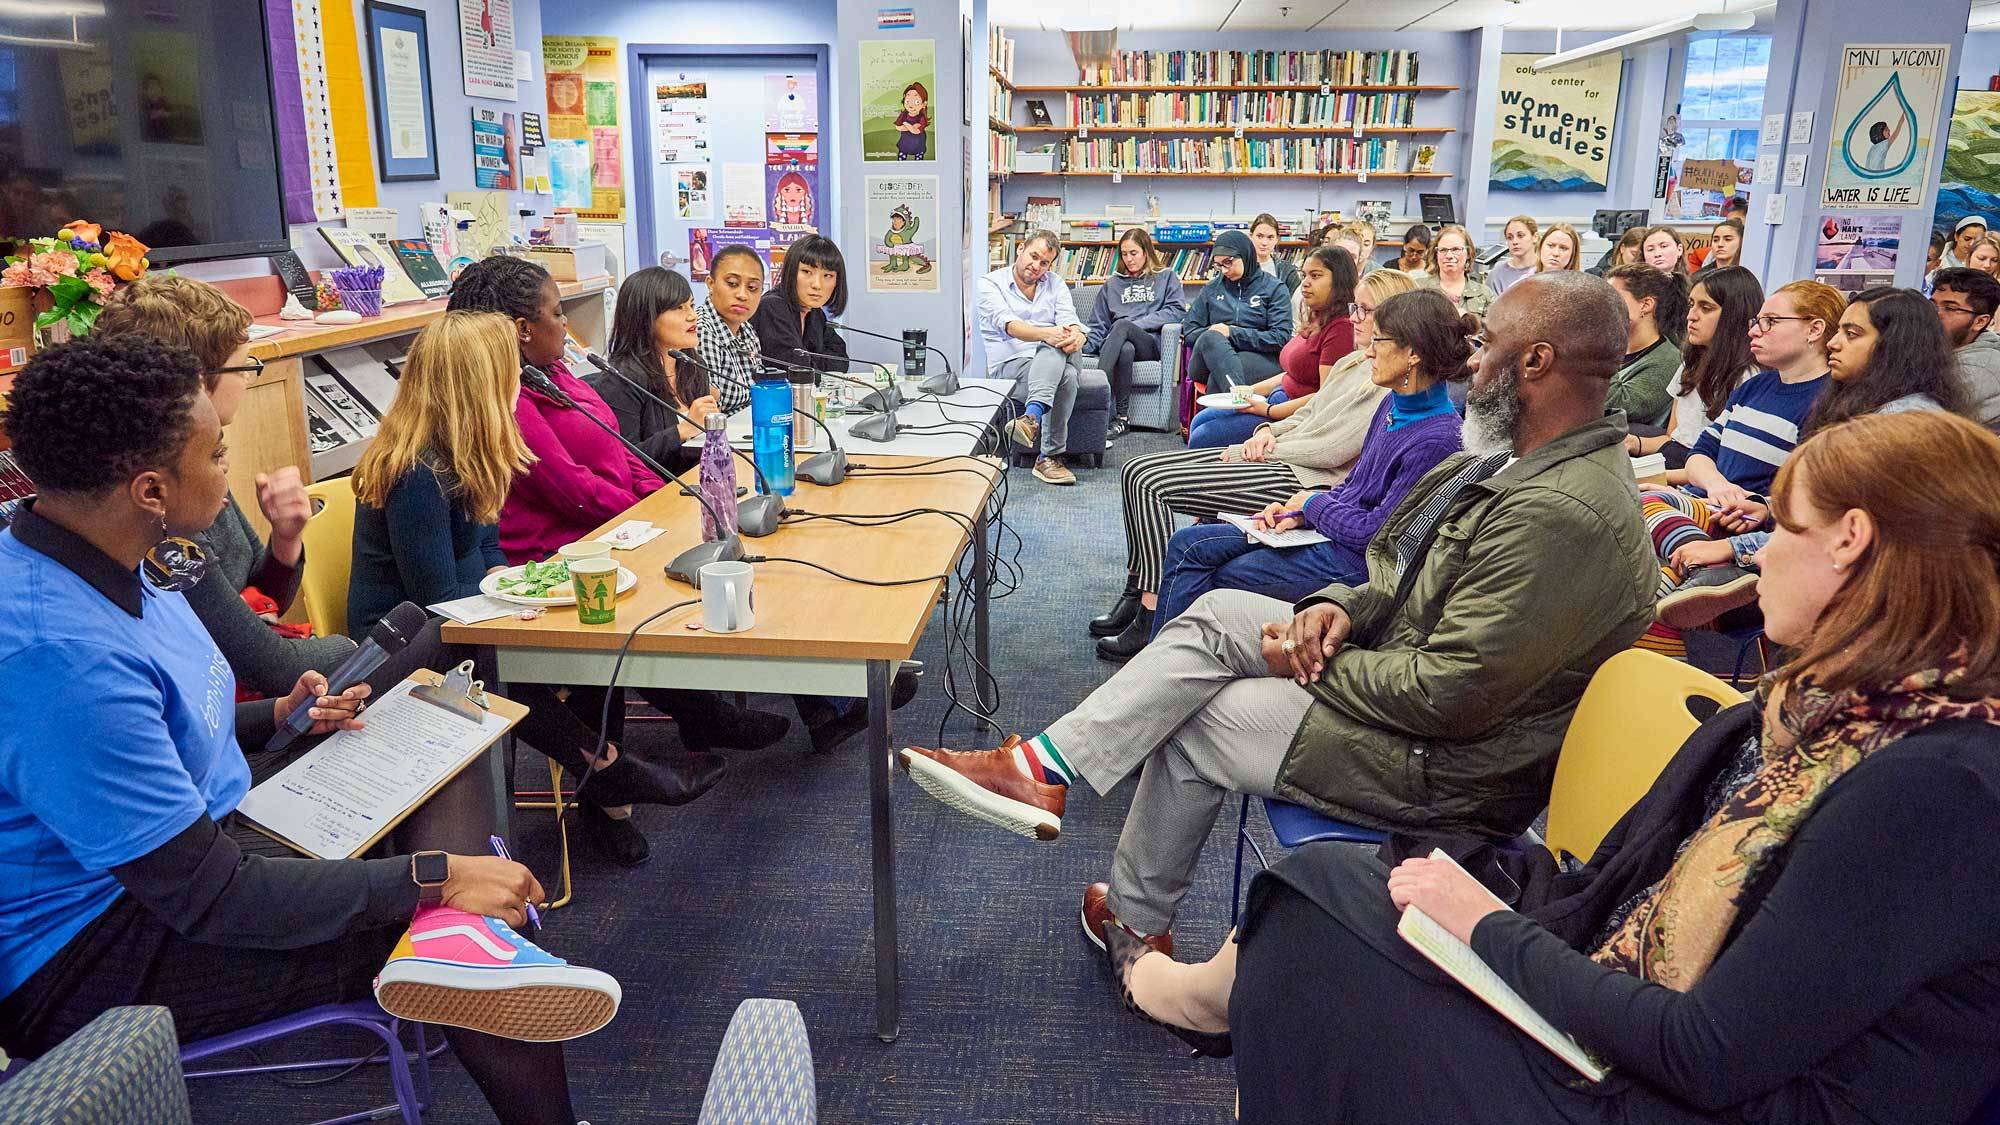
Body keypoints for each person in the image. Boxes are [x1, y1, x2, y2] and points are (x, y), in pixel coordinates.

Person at [1134, 412, 2000, 1125]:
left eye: (1787, 530)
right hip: (1654, 1009)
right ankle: (1222, 1001)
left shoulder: (1935, 787)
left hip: (1678, 1095)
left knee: (1324, 917)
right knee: (1346, 883)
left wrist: (1485, 928)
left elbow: (1707, 1053)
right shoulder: (1839, 713)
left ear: (1851, 542)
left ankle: (1218, 1002)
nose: (1761, 551)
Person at [899, 272, 1657, 958]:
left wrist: (1310, 654)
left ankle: (1128, 906)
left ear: (1537, 362)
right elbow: (1400, 570)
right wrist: (1333, 606)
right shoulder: (1518, 461)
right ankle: (1044, 771)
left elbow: (1445, 694)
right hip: (1401, 685)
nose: (1474, 361)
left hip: (1446, 768)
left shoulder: (1560, 510)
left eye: (1490, 345)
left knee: (1192, 714)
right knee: (1222, 611)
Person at [0, 336, 619, 1125]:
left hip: (202, 846)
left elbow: (166, 727)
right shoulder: (59, 654)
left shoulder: (122, 553)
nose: (229, 473)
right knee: (463, 928)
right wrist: (434, 878)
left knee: (447, 727)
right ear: (151, 488)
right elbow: (211, 897)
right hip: (97, 953)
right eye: (217, 454)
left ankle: (479, 928)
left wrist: (279, 714)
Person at [445, 255, 791, 862]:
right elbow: (569, 484)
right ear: (522, 329)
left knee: (694, 575)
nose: (569, 329)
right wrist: (641, 513)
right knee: (615, 632)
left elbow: (615, 448)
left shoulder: (560, 375)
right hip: (557, 549)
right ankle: (609, 799)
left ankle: (696, 716)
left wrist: (660, 496)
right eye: (558, 314)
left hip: (611, 530)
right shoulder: (510, 399)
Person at [349, 311, 729, 851]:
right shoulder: (417, 471)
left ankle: (606, 777)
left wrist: (506, 581)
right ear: (477, 387)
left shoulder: (467, 453)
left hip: (454, 620)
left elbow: (484, 551)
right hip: (397, 644)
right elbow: (433, 597)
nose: (518, 386)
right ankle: (606, 768)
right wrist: (502, 596)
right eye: (509, 375)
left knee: (592, 634)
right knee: (493, 658)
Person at [1088, 269, 1421, 660]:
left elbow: (1329, 449)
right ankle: (1139, 590)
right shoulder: (1354, 364)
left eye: (1366, 311)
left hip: (1300, 475)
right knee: (1136, 470)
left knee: (1148, 480)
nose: (1355, 319)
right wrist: (1266, 430)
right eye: (1355, 309)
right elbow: (1310, 415)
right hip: (1285, 458)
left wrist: (1269, 446)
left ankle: (1149, 608)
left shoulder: (1380, 382)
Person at [92, 275, 357, 696]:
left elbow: (260, 596)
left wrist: (286, 539)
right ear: (195, 380)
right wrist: (353, 650)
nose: (251, 378)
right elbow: (265, 666)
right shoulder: (164, 505)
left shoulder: (197, 458)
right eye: (244, 366)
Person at [1152, 289, 1468, 629]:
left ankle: (1178, 662)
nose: (1369, 352)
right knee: (1188, 544)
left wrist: (1312, 504)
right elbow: (1353, 486)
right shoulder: (1392, 405)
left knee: (1222, 574)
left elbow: (1374, 536)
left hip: (1355, 562)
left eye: (1379, 341)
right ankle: (1162, 663)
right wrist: (1298, 512)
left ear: (1414, 354)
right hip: (1329, 534)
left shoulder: (1438, 439)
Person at [1654, 286, 1962, 631]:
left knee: (1657, 592)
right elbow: (1830, 505)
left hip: (1872, 602)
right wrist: (1766, 507)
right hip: (1776, 539)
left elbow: (1848, 530)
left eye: (1852, 333)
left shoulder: (1903, 425)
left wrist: (1734, 547)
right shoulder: (1863, 409)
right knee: (1657, 573)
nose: (1834, 342)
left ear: (1897, 345)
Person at [1632, 280, 1842, 658]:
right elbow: (1700, 454)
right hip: (1709, 503)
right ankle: (1699, 572)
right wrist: (1718, 486)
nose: (1754, 330)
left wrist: (1737, 499)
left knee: (1650, 586)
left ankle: (1700, 579)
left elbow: (1807, 496)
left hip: (1746, 520)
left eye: (1770, 322)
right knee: (1643, 503)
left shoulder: (1827, 402)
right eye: (1755, 321)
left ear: (1814, 329)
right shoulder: (1755, 387)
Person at [1186, 246, 1356, 451]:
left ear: (1339, 281)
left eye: (1316, 275)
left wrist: (1268, 410)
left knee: (1204, 436)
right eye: (1304, 275)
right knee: (1199, 421)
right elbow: (1290, 375)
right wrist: (1251, 390)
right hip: (1276, 398)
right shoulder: (1317, 319)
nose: (1305, 284)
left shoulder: (1341, 329)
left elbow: (1325, 397)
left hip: (1291, 414)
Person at [1626, 266, 1763, 483]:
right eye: (1691, 305)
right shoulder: (1690, 363)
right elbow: (1674, 440)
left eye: (1706, 308)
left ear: (1734, 314)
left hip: (1699, 479)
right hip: (1673, 463)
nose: (1691, 316)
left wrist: (1643, 477)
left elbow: (1718, 469)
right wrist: (1634, 443)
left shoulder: (1747, 379)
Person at [980, 230, 1088, 486]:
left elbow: (1068, 319)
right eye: (1034, 256)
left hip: (1054, 358)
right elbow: (1011, 327)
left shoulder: (1055, 283)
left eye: (1044, 263)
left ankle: (1030, 419)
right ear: (1020, 248)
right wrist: (1050, 335)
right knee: (1067, 375)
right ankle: (1048, 457)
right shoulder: (990, 283)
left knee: (1058, 345)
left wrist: (1078, 334)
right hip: (1010, 367)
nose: (1036, 266)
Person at [586, 266, 718, 476]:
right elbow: (625, 460)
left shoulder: (692, 366)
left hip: (696, 484)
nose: (692, 316)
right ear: (646, 317)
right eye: (679, 308)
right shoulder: (621, 381)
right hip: (653, 497)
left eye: (691, 305)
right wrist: (681, 432)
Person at [1083, 227, 1188, 440]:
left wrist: (1136, 325)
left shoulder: (1166, 277)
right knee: (1124, 348)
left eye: (1134, 253)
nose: (1129, 259)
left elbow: (1176, 310)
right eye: (1124, 254)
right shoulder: (1112, 284)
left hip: (1148, 344)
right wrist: (1082, 347)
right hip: (1118, 344)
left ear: (1146, 252)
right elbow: (1098, 324)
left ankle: (1097, 394)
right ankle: (1122, 419)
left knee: (1122, 326)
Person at [1181, 228, 1294, 399]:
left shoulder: (1274, 288)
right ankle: (1239, 402)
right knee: (1211, 336)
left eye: (1228, 262)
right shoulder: (1212, 289)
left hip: (1259, 358)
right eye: (1219, 265)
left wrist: (1233, 333)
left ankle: (1223, 414)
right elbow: (1188, 332)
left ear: (1245, 255)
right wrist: (1217, 332)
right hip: (1208, 358)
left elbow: (1280, 338)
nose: (1224, 270)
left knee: (1217, 379)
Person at [748, 233, 851, 379]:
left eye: (827, 276)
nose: (817, 285)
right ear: (791, 272)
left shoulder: (815, 313)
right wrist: (814, 365)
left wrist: (811, 363)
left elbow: (841, 361)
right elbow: (798, 372)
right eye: (807, 272)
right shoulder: (772, 306)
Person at [688, 245, 770, 414]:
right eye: (732, 284)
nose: (742, 295)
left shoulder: (747, 330)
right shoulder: (702, 331)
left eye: (752, 288)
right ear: (710, 283)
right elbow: (711, 411)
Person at [1603, 264, 1687, 426]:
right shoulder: (1618, 346)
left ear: (1646, 304)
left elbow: (1620, 407)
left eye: (1612, 297)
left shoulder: (1668, 361)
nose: (1604, 306)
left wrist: (1598, 347)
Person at [1929, 266, 2000, 428]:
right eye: (1933, 305)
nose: (1935, 314)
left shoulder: (1982, 366)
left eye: (1950, 308)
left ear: (1980, 321)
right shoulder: (1941, 347)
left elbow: (1915, 415)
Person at [1415, 224, 1494, 316]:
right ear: (1436, 254)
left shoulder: (1484, 293)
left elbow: (1491, 329)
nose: (1449, 256)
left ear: (1468, 253)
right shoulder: (1417, 288)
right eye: (1443, 250)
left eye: (1456, 249)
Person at [1248, 213, 1301, 295]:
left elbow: (1295, 302)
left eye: (1270, 237)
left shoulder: (1287, 271)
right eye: (1259, 236)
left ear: (1277, 239)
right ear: (1251, 236)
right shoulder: (1238, 267)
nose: (1264, 243)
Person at [1486, 215, 1539, 293]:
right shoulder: (1496, 274)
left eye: (1520, 236)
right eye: (1510, 237)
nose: (1515, 242)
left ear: (1535, 237)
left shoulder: (1545, 269)